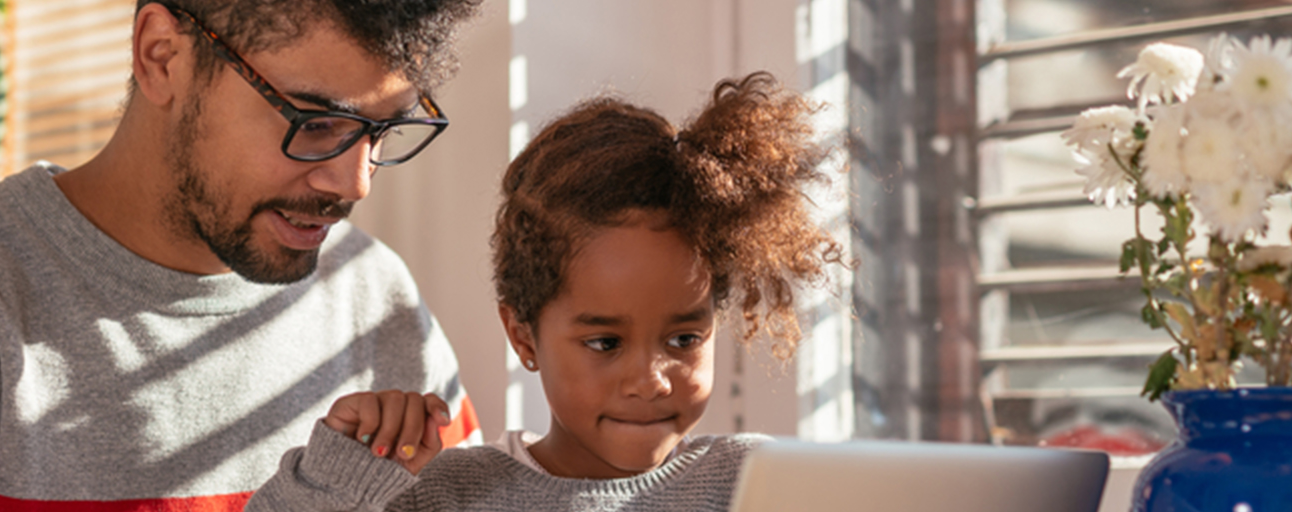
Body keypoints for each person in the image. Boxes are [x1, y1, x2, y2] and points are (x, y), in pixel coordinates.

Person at [0, 0, 482, 509]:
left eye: (381, 133)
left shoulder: (371, 294)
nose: (352, 181)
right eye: (315, 121)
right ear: (162, 57)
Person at [245, 72, 847, 511]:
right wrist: (342, 472)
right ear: (523, 336)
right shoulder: (446, 493)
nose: (652, 378)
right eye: (606, 342)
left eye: (684, 337)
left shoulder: (759, 483)